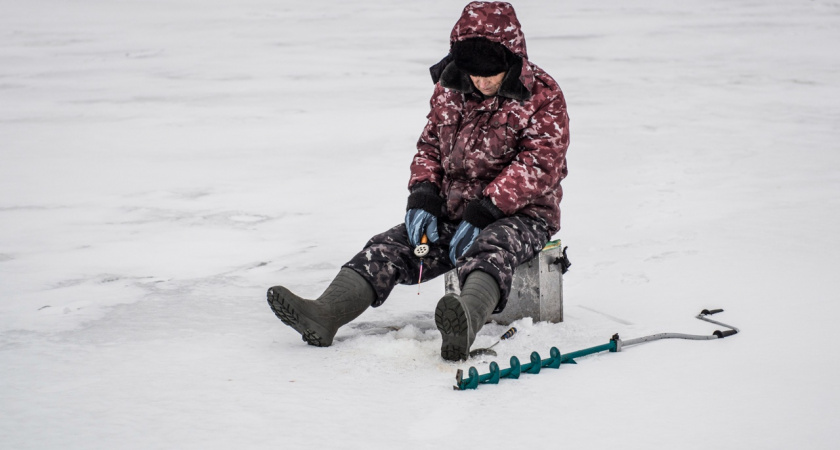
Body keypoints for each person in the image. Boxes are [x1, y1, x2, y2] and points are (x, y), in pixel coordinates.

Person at [267, 1, 570, 361]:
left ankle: (466, 324)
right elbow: (430, 145)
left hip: (522, 215)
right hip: (454, 209)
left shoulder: (543, 96)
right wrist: (423, 194)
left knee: (492, 249)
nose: (483, 81)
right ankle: (325, 314)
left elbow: (539, 164)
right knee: (389, 247)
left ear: (512, 59)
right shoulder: (450, 89)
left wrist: (486, 209)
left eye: (492, 72)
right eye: (474, 72)